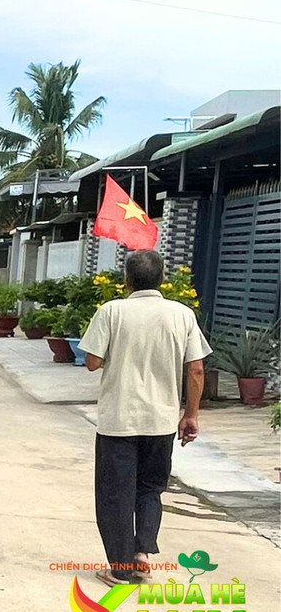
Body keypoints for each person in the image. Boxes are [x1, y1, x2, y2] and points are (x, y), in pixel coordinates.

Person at [78, 250, 210, 587]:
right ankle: (142, 555)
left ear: (127, 280)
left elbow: (92, 361)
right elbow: (195, 368)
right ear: (162, 279)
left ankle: (120, 568)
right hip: (161, 422)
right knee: (151, 489)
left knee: (115, 494)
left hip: (118, 421)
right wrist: (190, 415)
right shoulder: (182, 315)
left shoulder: (112, 312)